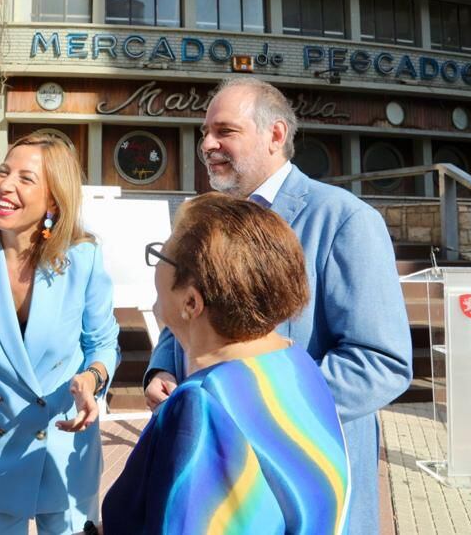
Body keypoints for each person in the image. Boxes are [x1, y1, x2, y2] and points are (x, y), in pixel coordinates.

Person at [144, 77, 411, 534]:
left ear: (275, 135)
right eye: (205, 131)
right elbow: (183, 311)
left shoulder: (344, 220)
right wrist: (162, 369)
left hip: (303, 483)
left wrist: (253, 406)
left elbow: (381, 362)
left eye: (224, 131)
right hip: (214, 472)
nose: (207, 144)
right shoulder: (204, 217)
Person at [105, 193, 350, 533]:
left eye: (162, 253)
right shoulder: (295, 363)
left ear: (191, 302)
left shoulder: (204, 404)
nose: (156, 264)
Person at [0, 133, 120, 534]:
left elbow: (102, 342)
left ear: (53, 199)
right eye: (4, 172)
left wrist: (92, 379)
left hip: (66, 444)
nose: (5, 185)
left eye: (25, 178)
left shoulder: (83, 257)